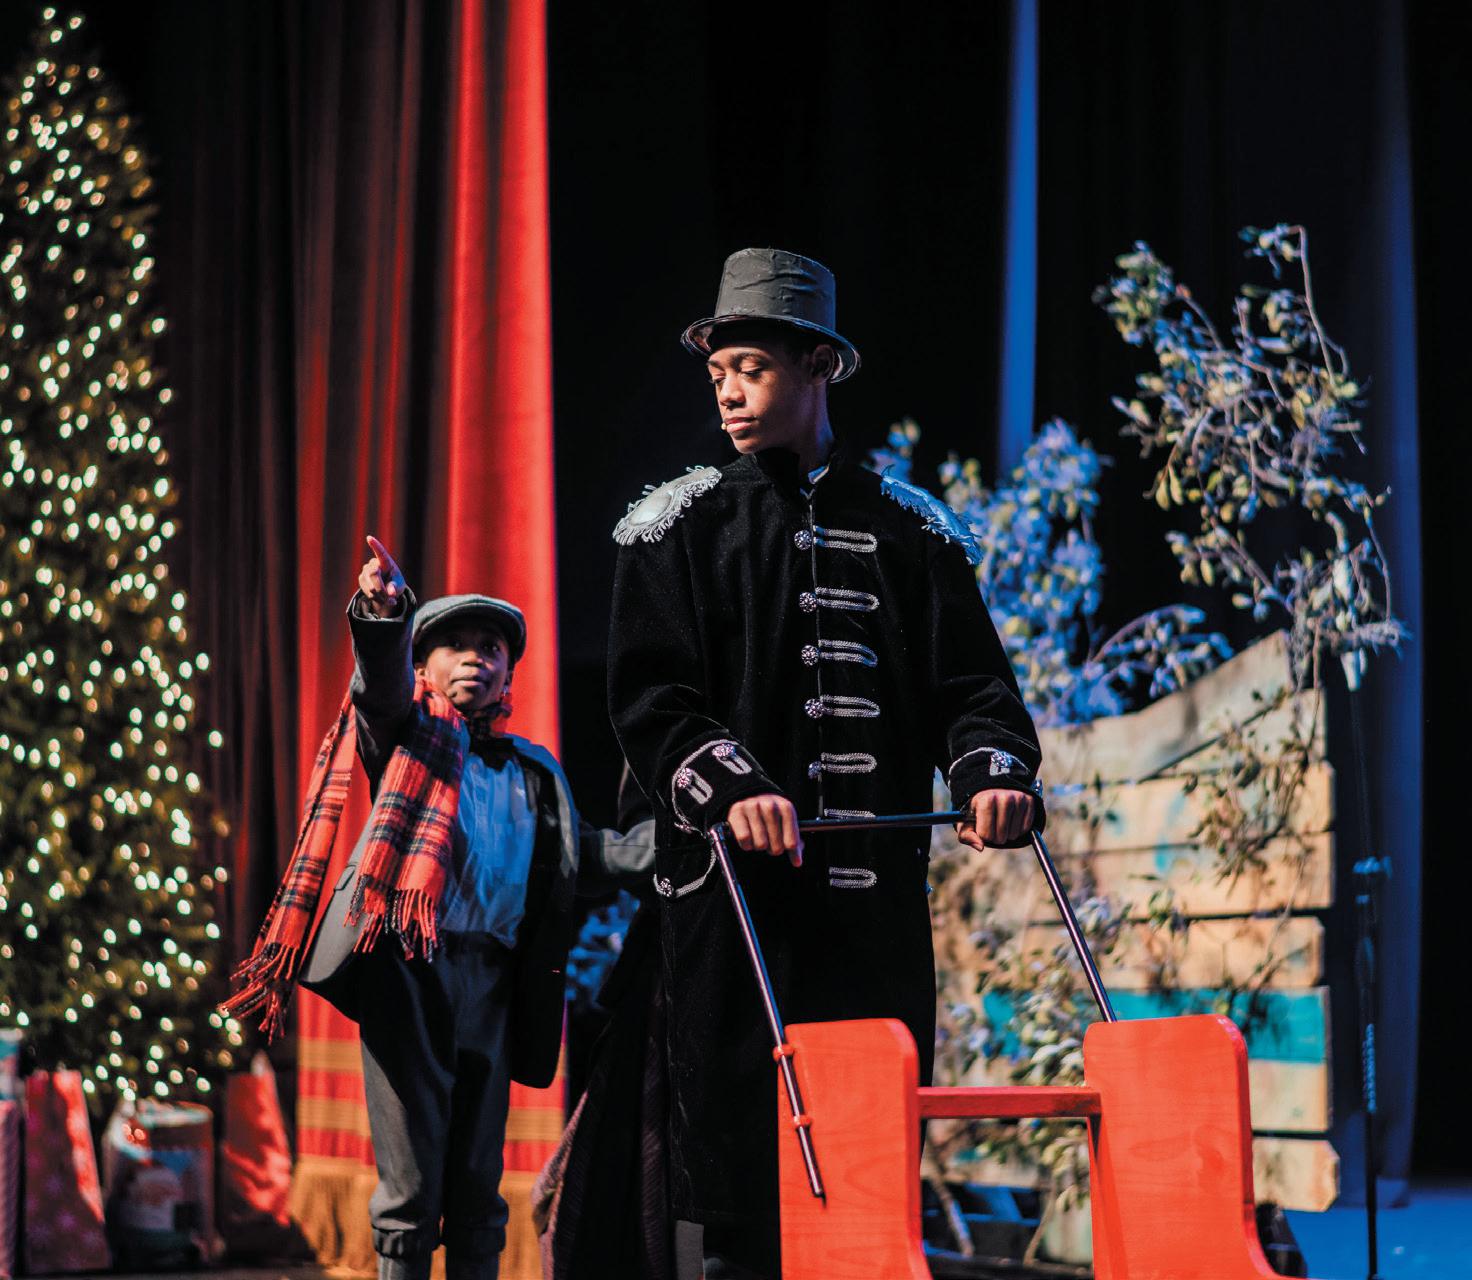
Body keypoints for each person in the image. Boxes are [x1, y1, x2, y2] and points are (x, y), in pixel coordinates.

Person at [606, 247, 1044, 1278]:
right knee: (738, 1182)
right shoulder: (679, 528)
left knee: (863, 1172)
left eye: (751, 368)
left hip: (871, 923)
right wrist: (733, 786)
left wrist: (990, 771)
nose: (727, 391)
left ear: (819, 367)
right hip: (734, 915)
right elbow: (652, 700)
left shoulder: (912, 532)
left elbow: (973, 689)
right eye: (718, 372)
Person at [225, 537, 652, 1280]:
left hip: (495, 985)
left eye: (491, 648)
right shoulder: (406, 740)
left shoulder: (534, 771)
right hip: (413, 973)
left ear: (509, 672)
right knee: (413, 1185)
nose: (475, 659)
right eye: (455, 646)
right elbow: (379, 692)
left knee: (478, 1185)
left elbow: (581, 858)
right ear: (423, 667)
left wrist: (673, 846)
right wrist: (384, 616)